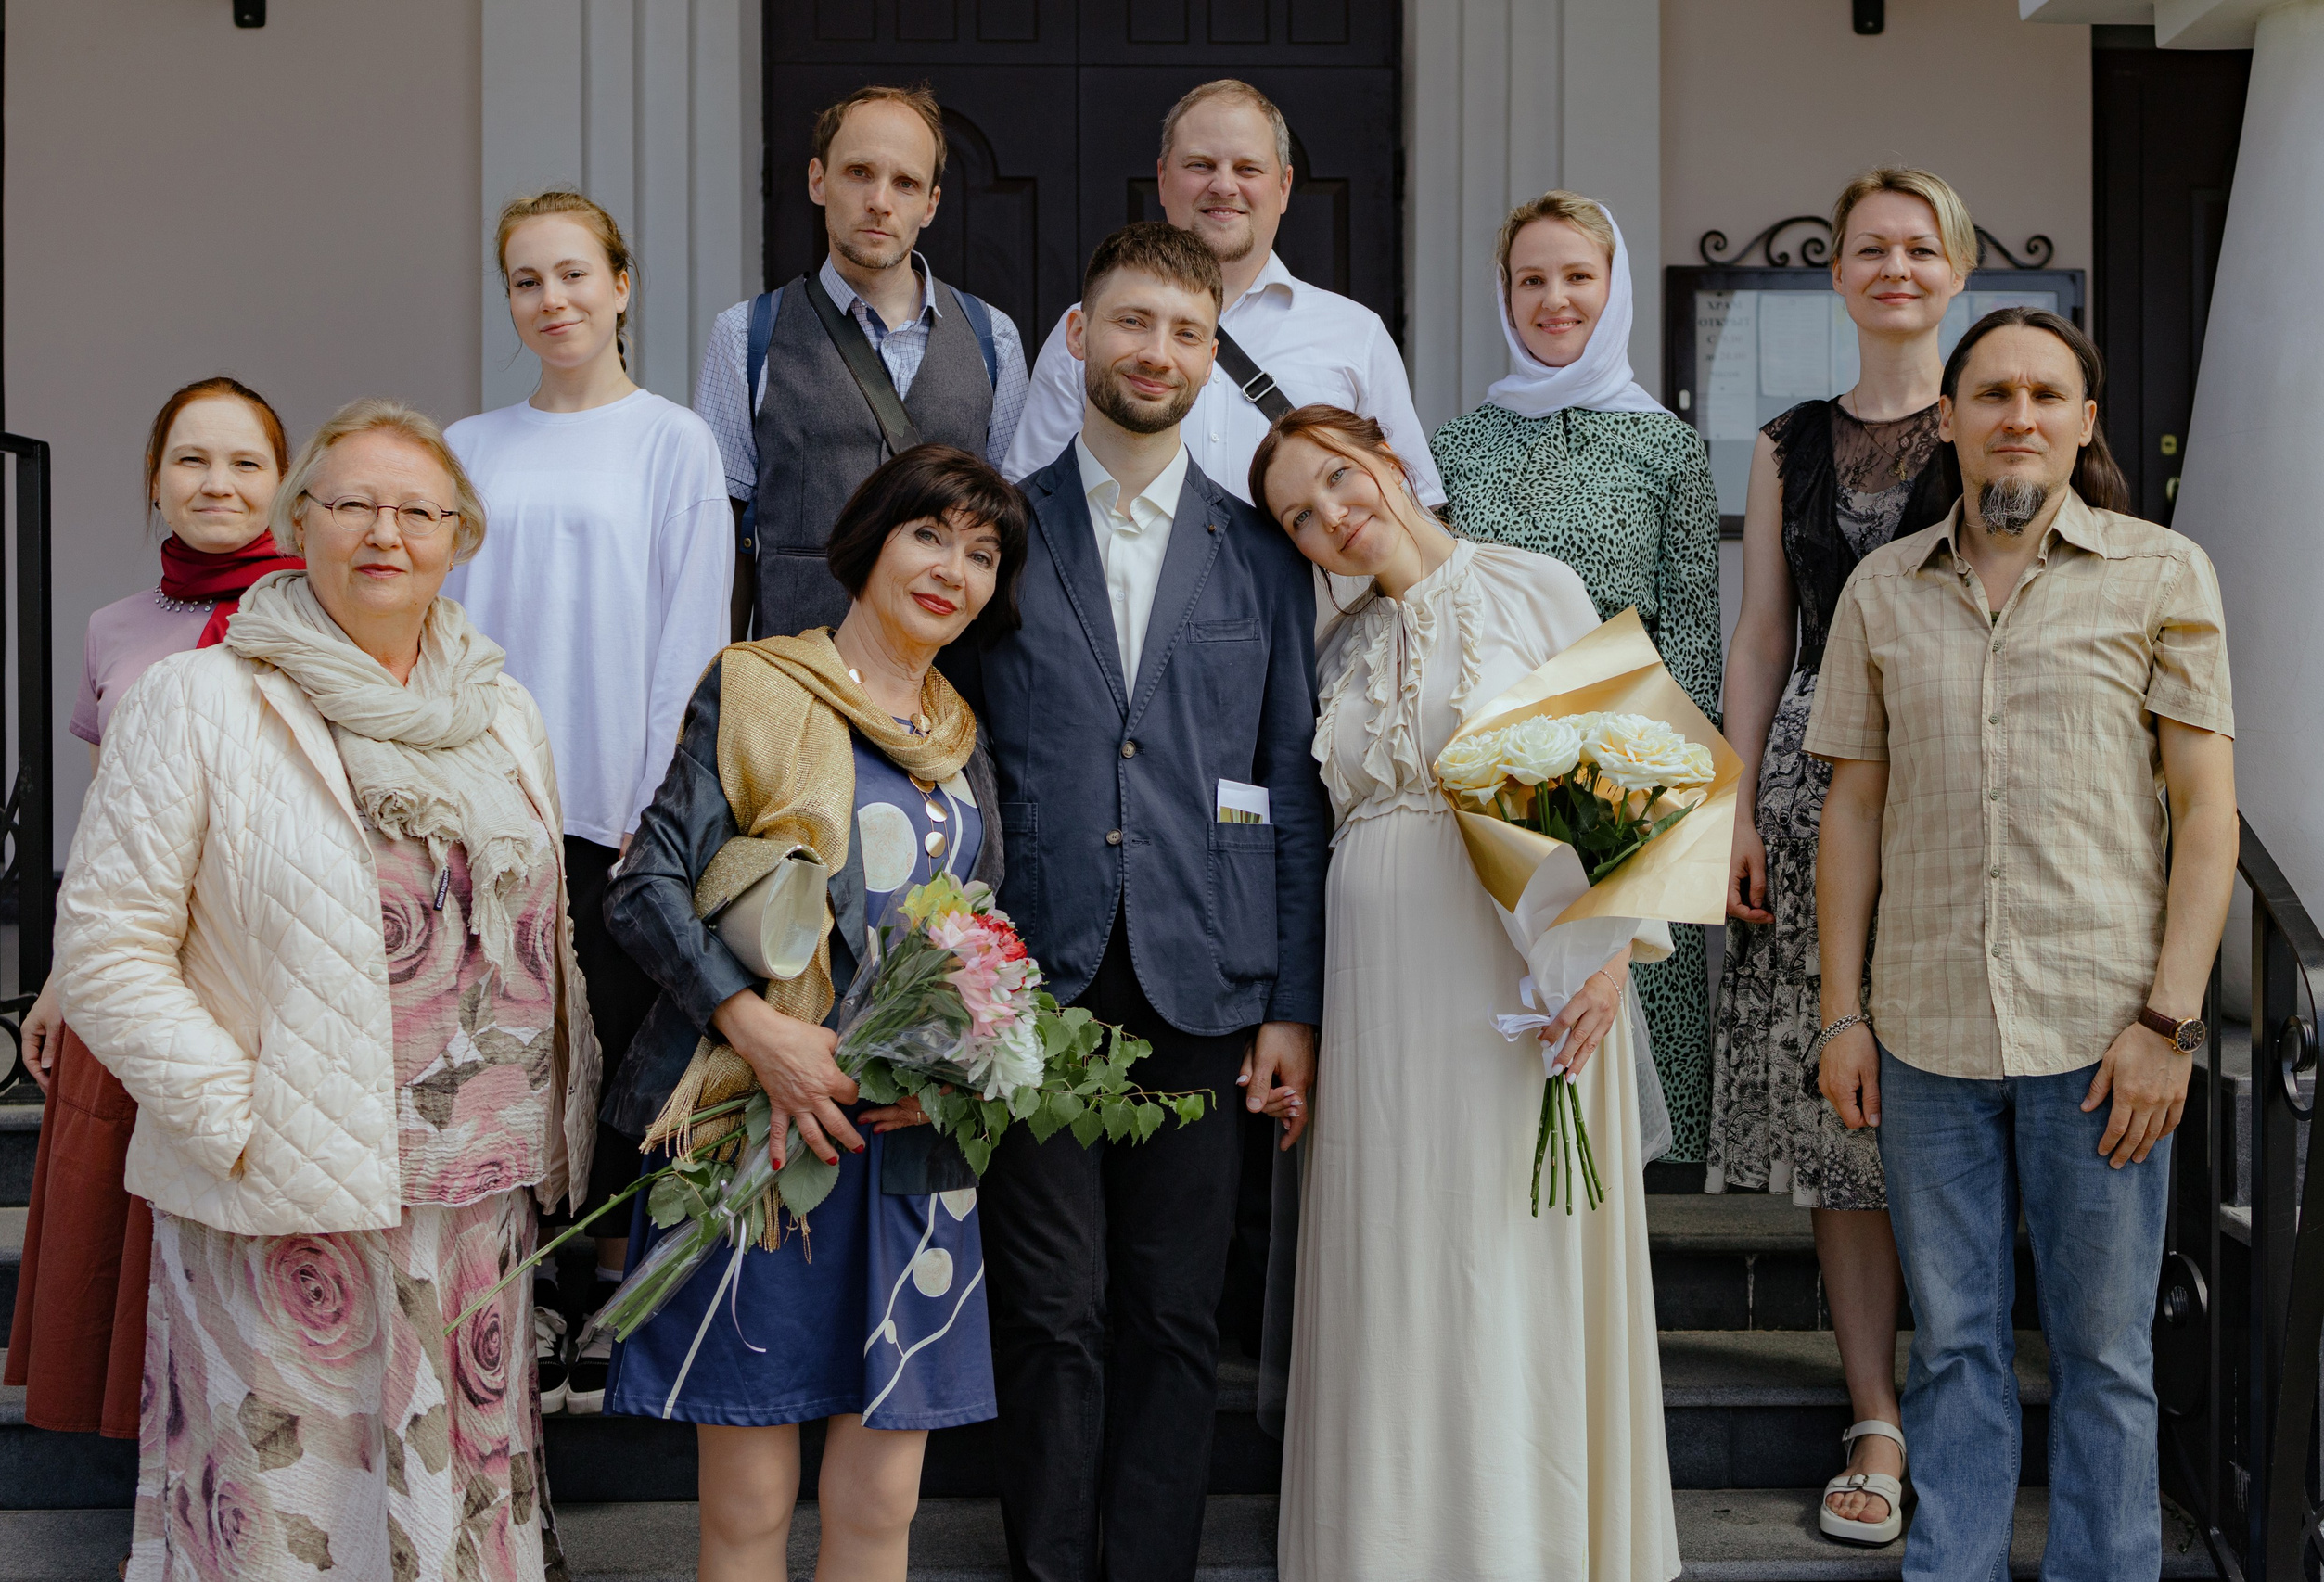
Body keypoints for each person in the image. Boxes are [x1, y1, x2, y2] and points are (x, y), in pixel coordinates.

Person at [55, 399, 602, 1582]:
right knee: (292, 1509)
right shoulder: (198, 701)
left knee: (452, 1497)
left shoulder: (501, 711)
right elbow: (106, 943)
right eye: (351, 501)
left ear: (461, 536)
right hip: (285, 1188)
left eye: (418, 509)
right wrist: (234, 1117)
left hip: (472, 1195)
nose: (384, 532)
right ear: (300, 521)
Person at [1811, 307, 2236, 1580]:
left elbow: (2209, 813)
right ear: (1948, 417)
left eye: (2049, 393)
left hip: (2103, 1036)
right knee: (1953, 1346)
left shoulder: (2164, 573)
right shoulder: (1885, 588)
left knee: (2106, 1353)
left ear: (2085, 420)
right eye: (1992, 391)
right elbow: (1854, 806)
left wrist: (2168, 1022)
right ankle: (1952, 1564)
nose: (2021, 414)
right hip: (1927, 1028)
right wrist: (1842, 1008)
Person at [946, 221, 1329, 1582]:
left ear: (1211, 355)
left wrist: (1294, 1005)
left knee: (1173, 1312)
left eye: (1184, 331)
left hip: (1204, 977)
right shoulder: (991, 529)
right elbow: (954, 749)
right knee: (1052, 1309)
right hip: (1024, 980)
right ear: (1079, 336)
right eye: (1131, 324)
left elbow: (1290, 785)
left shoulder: (1261, 554)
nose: (1157, 352)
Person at [1255, 403, 1679, 1580]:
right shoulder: (1333, 650)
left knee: (1501, 1252)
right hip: (1375, 1004)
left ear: (1390, 458)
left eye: (1340, 479)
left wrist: (1604, 958)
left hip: (1513, 982)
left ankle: (1518, 1545)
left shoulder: (1529, 585)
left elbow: (1632, 787)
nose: (1333, 516)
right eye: (1300, 515)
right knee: (1393, 1260)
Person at [594, 444, 1028, 1582]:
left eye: (983, 553)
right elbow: (642, 887)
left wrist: (951, 1066)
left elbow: (976, 940)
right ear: (870, 539)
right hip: (758, 1133)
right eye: (929, 533)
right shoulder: (757, 686)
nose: (953, 568)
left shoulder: (962, 746)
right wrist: (757, 1024)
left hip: (906, 1154)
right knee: (745, 1507)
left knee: (883, 1506)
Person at [1707, 168, 1970, 1545]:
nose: (1894, 266)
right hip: (1812, 794)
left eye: (1919, 247)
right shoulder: (1783, 440)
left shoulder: (1997, 419)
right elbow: (1762, 635)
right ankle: (1875, 1408)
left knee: (1949, 1102)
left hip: (1959, 786)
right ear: (1838, 274)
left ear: (1957, 267)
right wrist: (1737, 802)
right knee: (1841, 1123)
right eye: (1870, 247)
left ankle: (1964, 1387)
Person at [445, 189, 732, 1403]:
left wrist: (658, 802)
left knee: (612, 1055)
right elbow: (443, 628)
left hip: (619, 803)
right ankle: (519, 1296)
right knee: (505, 1055)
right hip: (493, 804)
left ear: (622, 286)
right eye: (527, 280)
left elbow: (693, 627)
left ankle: (595, 1290)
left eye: (574, 274)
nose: (552, 299)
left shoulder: (674, 440)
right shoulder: (466, 447)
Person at [7, 376, 300, 1441]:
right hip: (132, 954)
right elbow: (108, 810)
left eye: (244, 462)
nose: (215, 483)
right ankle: (159, 1455)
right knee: (121, 1207)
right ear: (154, 477)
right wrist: (58, 973)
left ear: (282, 481)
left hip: (259, 964)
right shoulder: (113, 626)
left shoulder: (314, 611)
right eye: (191, 459)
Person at [1430, 189, 1720, 1167]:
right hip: (1495, 770)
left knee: (1627, 1041)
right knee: (1514, 1032)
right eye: (1531, 280)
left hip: (1632, 765)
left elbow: (1690, 628)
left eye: (1577, 277)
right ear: (1504, 297)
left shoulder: (1667, 446)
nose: (1554, 300)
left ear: (1615, 285)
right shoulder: (1458, 444)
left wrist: (1662, 809)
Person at [1002, 78, 1437, 505]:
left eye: (1247, 168)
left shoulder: (1356, 334)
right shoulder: (1091, 328)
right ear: (1162, 177)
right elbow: (1032, 506)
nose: (1224, 186)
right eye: (1200, 165)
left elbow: (1411, 511)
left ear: (1284, 187)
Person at [696, 83, 1028, 641]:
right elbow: (718, 533)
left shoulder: (994, 337)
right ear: (817, 180)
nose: (880, 200)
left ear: (931, 204)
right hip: (798, 680)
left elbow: (1013, 528)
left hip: (948, 685)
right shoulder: (745, 334)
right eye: (858, 173)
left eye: (905, 183)